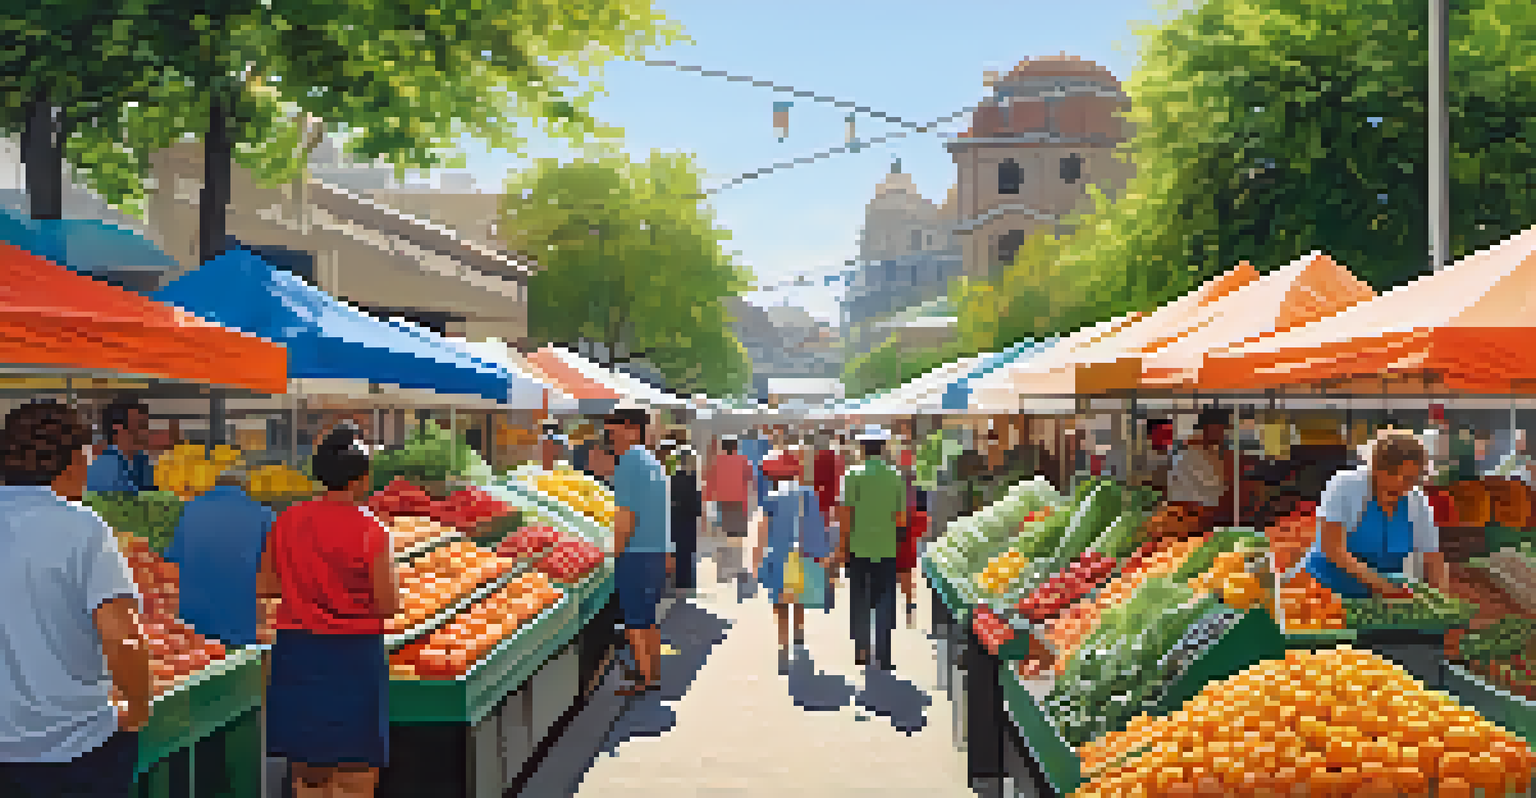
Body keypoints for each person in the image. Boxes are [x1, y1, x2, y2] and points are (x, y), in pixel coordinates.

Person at [0, 402, 150, 798]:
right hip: (75, 748)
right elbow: (122, 638)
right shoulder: (83, 528)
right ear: (70, 462)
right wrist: (138, 708)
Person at [258, 424, 398, 798]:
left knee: (308, 774)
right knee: (355, 775)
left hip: (298, 652)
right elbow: (388, 604)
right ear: (361, 478)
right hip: (354, 656)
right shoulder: (373, 530)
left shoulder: (286, 520)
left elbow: (267, 586)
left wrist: (306, 586)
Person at [1301, 432, 1449, 599]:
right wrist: (1384, 586)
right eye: (1398, 476)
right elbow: (1332, 549)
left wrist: (1441, 601)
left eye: (1412, 479)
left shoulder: (1417, 502)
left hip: (1380, 596)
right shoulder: (1344, 486)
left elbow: (1433, 558)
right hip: (1326, 590)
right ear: (1377, 469)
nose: (1404, 484)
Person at [163, 464, 276, 647]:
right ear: (245, 488)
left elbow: (173, 559)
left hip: (193, 621)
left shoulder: (190, 510)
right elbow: (272, 569)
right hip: (241, 622)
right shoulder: (264, 514)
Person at [607, 408, 672, 696]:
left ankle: (644, 679)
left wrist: (614, 553)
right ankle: (653, 674)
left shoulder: (629, 463)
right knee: (648, 619)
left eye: (614, 430)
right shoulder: (652, 461)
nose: (611, 436)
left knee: (635, 622)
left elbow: (626, 517)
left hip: (636, 552)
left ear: (633, 429)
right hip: (655, 551)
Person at [751, 451, 833, 675]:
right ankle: (798, 634)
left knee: (780, 602)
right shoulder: (808, 495)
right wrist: (823, 555)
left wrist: (756, 561)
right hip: (801, 554)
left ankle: (783, 643)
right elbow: (817, 526)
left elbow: (762, 531)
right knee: (798, 597)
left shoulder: (771, 498)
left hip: (778, 556)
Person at [836, 424, 907, 671]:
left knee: (859, 599)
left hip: (858, 547)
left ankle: (862, 650)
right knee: (885, 600)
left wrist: (842, 547)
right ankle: (884, 654)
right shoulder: (895, 476)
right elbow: (901, 519)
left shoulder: (852, 475)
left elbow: (845, 515)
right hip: (887, 548)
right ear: (883, 448)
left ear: (862, 449)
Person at [1163, 409, 1232, 528]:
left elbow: (1219, 488)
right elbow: (1180, 496)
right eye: (1220, 429)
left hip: (1208, 518)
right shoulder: (1188, 454)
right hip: (1190, 519)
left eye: (1224, 430)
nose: (1223, 434)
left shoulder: (1215, 453)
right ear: (1207, 428)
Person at [705, 435, 754, 596]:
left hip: (722, 502)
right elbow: (750, 480)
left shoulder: (716, 462)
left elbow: (710, 483)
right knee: (738, 537)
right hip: (739, 502)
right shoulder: (743, 460)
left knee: (724, 535)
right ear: (735, 446)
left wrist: (708, 501)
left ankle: (723, 569)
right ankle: (736, 567)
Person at [87, 396, 156, 494]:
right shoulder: (106, 467)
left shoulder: (141, 459)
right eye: (139, 427)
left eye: (145, 426)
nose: (145, 433)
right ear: (118, 429)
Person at [670, 445, 703, 595]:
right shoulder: (692, 478)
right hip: (688, 519)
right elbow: (696, 503)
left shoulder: (673, 478)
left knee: (679, 550)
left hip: (676, 518)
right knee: (688, 551)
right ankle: (687, 581)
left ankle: (679, 580)